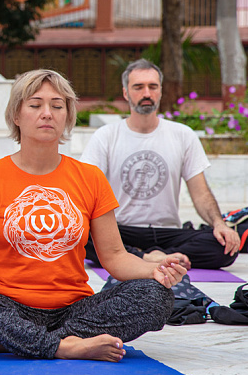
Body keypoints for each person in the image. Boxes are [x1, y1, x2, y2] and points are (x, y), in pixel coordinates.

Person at [0, 69, 185, 361]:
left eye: (57, 106)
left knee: (156, 295)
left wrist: (155, 271)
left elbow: (114, 256)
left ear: (67, 116)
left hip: (74, 311)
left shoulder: (90, 178)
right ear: (16, 115)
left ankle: (17, 340)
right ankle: (65, 346)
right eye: (35, 105)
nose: (47, 113)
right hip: (6, 306)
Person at [81, 59, 239, 270]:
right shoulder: (106, 136)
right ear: (126, 93)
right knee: (84, 236)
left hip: (168, 232)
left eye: (152, 87)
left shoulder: (183, 135)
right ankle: (150, 258)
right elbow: (88, 189)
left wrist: (220, 224)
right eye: (138, 87)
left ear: (160, 91)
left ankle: (154, 255)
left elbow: (200, 193)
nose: (146, 93)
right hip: (120, 229)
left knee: (224, 246)